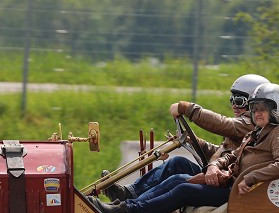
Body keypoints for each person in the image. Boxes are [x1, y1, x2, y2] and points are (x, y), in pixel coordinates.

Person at [91, 82, 279, 213]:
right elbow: (232, 155)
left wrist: (249, 178)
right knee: (178, 178)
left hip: (241, 192)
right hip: (231, 184)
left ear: (276, 110)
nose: (257, 113)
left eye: (263, 109)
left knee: (184, 189)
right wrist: (217, 164)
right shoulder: (257, 132)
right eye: (255, 109)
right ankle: (124, 209)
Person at [104, 74, 269, 202]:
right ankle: (129, 194)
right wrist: (195, 141)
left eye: (239, 100)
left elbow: (225, 124)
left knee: (179, 180)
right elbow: (223, 153)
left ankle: (129, 206)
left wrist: (188, 108)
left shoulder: (251, 123)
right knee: (177, 163)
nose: (234, 105)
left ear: (254, 103)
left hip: (228, 183)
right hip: (220, 176)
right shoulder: (245, 123)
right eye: (232, 99)